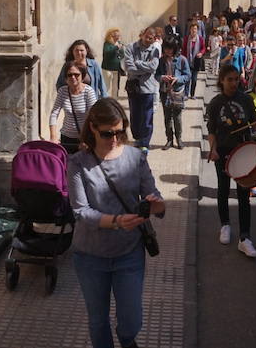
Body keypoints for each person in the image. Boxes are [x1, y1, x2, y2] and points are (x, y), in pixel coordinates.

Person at [68, 98, 166, 348]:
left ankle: (126, 339)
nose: (114, 138)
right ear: (92, 128)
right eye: (107, 133)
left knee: (131, 320)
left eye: (120, 131)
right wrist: (116, 221)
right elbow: (80, 211)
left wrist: (157, 204)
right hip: (89, 255)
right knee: (98, 319)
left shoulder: (136, 157)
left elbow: (154, 196)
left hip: (129, 254)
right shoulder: (78, 163)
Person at [206, 64, 256, 258]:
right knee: (223, 189)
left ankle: (245, 238)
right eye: (229, 79)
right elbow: (211, 131)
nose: (233, 83)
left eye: (236, 79)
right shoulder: (215, 103)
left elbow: (253, 126)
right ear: (221, 80)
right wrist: (212, 150)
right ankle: (225, 225)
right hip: (222, 151)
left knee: (243, 194)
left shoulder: (246, 99)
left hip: (243, 152)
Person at [123, 27, 160, 151]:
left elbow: (153, 67)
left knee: (147, 117)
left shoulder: (154, 51)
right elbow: (130, 68)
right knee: (135, 115)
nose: (149, 40)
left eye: (151, 38)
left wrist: (138, 63)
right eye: (147, 37)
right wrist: (145, 68)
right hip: (133, 87)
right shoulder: (130, 48)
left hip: (148, 88)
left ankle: (145, 142)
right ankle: (138, 138)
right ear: (142, 35)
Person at [49, 62, 98, 153]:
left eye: (76, 74)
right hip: (66, 138)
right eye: (70, 75)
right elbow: (54, 114)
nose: (73, 77)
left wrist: (88, 137)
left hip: (85, 138)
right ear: (66, 77)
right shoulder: (62, 91)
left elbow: (93, 116)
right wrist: (53, 137)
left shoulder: (88, 91)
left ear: (82, 76)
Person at [155, 37, 190, 150]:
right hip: (165, 92)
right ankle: (169, 140)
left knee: (177, 116)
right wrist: (162, 77)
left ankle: (179, 138)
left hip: (177, 92)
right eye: (166, 48)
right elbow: (156, 75)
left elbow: (187, 75)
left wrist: (177, 79)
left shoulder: (182, 59)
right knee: (167, 117)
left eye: (170, 49)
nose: (168, 51)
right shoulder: (161, 61)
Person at [182, 21, 206, 98]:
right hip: (187, 61)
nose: (194, 30)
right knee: (187, 78)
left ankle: (192, 94)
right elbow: (183, 49)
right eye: (192, 29)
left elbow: (203, 48)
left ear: (197, 30)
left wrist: (201, 53)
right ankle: (186, 94)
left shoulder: (201, 39)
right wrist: (183, 58)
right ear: (190, 30)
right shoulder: (186, 39)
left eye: (195, 29)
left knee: (194, 79)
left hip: (196, 61)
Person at [101, 28, 124, 99]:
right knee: (106, 86)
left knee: (115, 87)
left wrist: (121, 51)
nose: (118, 37)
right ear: (111, 36)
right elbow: (107, 53)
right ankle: (104, 100)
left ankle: (114, 100)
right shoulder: (107, 44)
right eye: (116, 35)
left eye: (118, 35)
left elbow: (122, 55)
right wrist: (115, 48)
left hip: (116, 69)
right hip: (107, 68)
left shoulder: (119, 43)